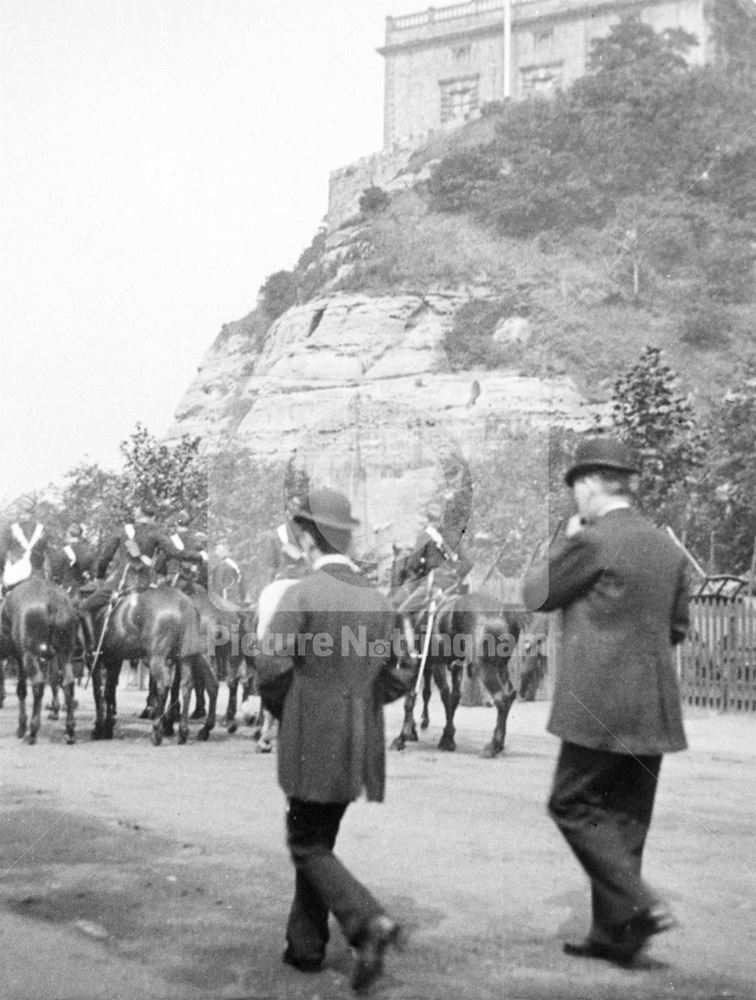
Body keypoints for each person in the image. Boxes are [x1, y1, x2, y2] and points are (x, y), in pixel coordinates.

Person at [522, 436, 689, 966]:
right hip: (654, 706)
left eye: (576, 491)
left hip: (599, 705)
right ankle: (615, 936)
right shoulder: (666, 547)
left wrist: (562, 541)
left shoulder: (594, 539)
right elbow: (679, 627)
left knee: (569, 803)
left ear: (590, 484)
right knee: (624, 820)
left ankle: (639, 903)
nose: (576, 502)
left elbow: (536, 595)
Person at [256, 487, 410, 990]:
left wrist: (291, 710)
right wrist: (363, 702)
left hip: (309, 734)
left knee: (305, 840)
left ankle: (367, 920)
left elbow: (270, 668)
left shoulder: (299, 594)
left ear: (306, 537)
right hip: (359, 739)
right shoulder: (379, 601)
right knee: (318, 837)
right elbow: (401, 673)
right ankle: (305, 947)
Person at [0, 494, 49, 590]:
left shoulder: (11, 529)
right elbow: (46, 555)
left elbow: (2, 553)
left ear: (20, 512)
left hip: (16, 574)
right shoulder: (42, 529)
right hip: (38, 573)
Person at [48, 523, 96, 592]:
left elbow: (55, 574)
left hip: (65, 591)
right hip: (82, 592)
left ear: (68, 534)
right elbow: (93, 575)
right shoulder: (88, 552)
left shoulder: (62, 552)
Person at [209, 539, 245, 605]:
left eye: (217, 549)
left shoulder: (224, 565)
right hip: (235, 601)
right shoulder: (234, 563)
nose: (216, 553)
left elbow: (218, 587)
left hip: (227, 602)